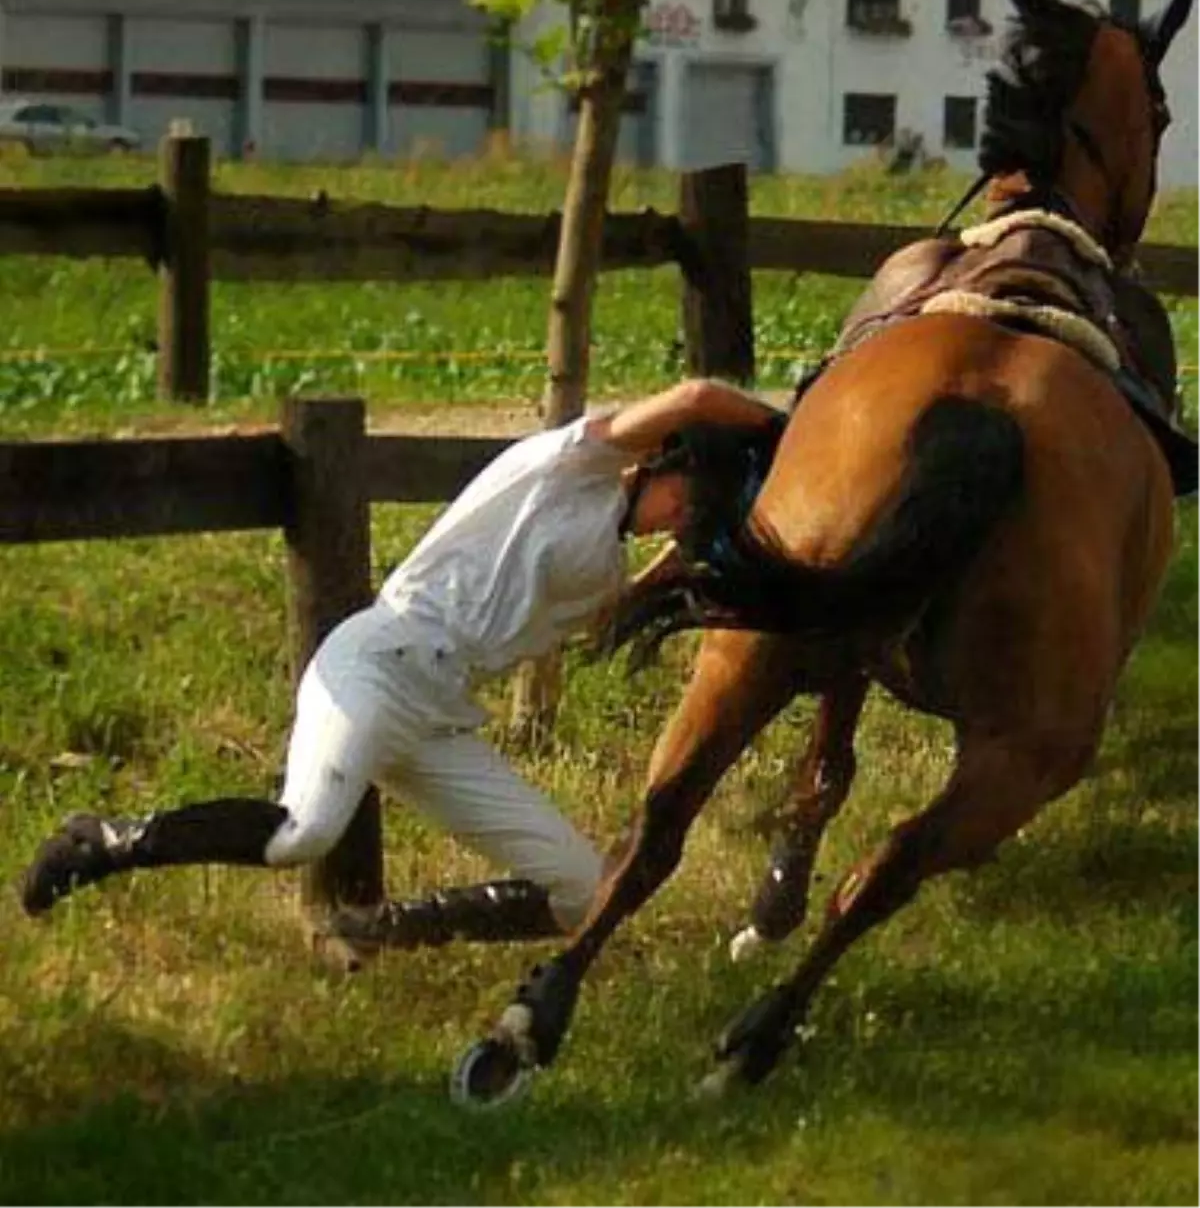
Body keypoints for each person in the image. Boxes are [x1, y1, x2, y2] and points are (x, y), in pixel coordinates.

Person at [20, 379, 784, 950]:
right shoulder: (563, 466)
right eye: (690, 499)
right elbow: (695, 394)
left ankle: (385, 930)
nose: (686, 520)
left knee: (586, 892)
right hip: (378, 665)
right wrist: (780, 426)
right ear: (660, 463)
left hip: (438, 714)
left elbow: (617, 606)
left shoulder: (613, 563)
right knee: (302, 834)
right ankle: (108, 840)